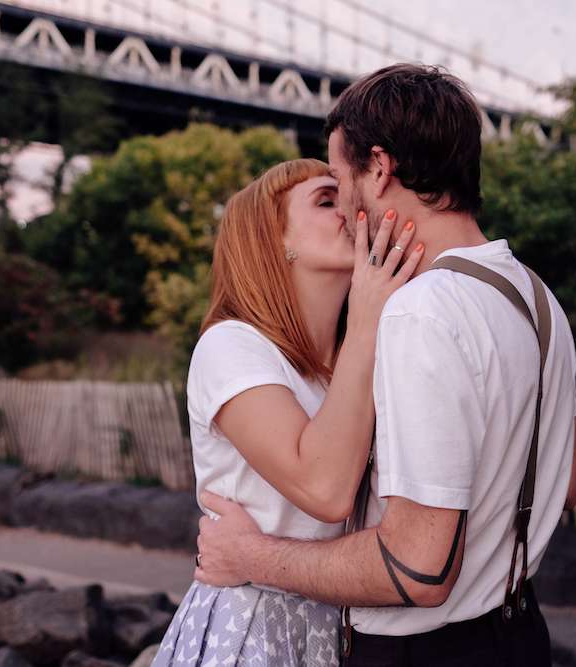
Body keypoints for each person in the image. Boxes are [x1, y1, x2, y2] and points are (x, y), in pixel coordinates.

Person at [195, 64, 576, 666]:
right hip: (516, 630)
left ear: (378, 169)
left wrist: (249, 556)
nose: (345, 208)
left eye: (339, 181)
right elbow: (567, 484)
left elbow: (417, 568)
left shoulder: (420, 311)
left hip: (422, 650)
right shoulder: (535, 297)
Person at [152, 158, 424, 666]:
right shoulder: (232, 346)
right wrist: (366, 321)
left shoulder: (354, 359)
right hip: (253, 627)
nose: (348, 208)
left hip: (341, 627)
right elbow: (324, 490)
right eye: (326, 200)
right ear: (274, 241)